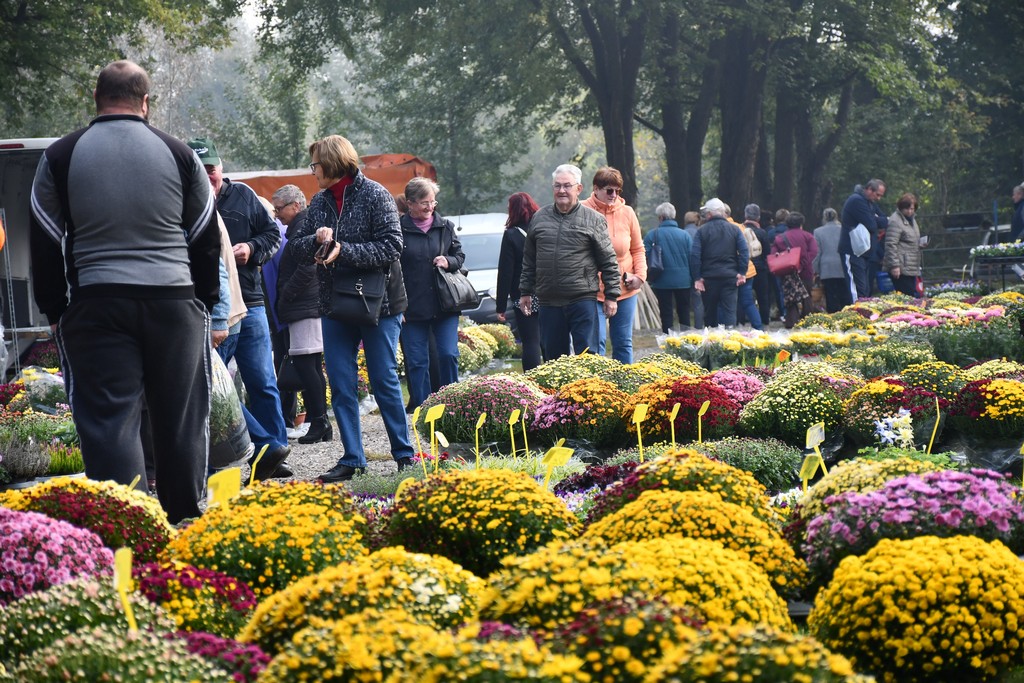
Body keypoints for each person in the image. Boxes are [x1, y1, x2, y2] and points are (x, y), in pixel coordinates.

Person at [29, 60, 219, 524]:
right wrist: (202, 303)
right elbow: (204, 236)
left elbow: (44, 236)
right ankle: (184, 521)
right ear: (146, 102)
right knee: (180, 419)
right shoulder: (180, 154)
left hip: (98, 303)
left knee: (110, 422)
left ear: (96, 99)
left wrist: (55, 309)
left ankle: (128, 527)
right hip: (173, 302)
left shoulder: (60, 156)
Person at [289, 135, 415, 482]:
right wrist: (316, 240)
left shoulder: (376, 195)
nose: (313, 171)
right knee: (342, 385)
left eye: (315, 165)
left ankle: (404, 455)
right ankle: (353, 458)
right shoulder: (318, 202)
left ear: (331, 164)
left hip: (380, 305)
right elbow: (296, 248)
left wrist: (344, 250)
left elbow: (392, 246)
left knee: (384, 379)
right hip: (334, 306)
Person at [188, 137, 292, 479]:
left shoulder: (244, 196)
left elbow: (273, 237)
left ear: (222, 168)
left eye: (212, 169)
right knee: (218, 387)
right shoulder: (187, 199)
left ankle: (275, 452)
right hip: (216, 307)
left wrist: (251, 248)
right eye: (200, 170)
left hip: (252, 302)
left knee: (263, 381)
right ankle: (225, 458)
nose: (208, 176)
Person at [519, 164, 620, 360]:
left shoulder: (594, 220)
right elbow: (529, 260)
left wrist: (611, 295)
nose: (562, 191)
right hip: (548, 301)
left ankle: (589, 392)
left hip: (582, 299)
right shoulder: (539, 218)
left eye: (567, 186)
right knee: (553, 360)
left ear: (578, 189)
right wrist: (525, 292)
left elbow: (608, 261)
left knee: (587, 358)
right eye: (557, 186)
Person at [398, 177, 465, 411]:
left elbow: (460, 257)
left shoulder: (445, 226)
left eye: (433, 202)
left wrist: (448, 260)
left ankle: (452, 405)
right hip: (411, 308)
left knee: (448, 354)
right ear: (410, 203)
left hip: (444, 304)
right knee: (417, 362)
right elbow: (391, 269)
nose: (429, 207)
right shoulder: (398, 229)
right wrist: (397, 305)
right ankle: (423, 408)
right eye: (424, 203)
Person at [273, 184, 332, 444]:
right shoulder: (302, 226)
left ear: (295, 205)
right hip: (306, 305)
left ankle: (319, 422)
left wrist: (286, 293)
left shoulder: (302, 227)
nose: (277, 215)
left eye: (279, 209)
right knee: (311, 367)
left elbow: (309, 266)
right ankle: (320, 422)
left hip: (304, 306)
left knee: (308, 367)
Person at [581, 167, 647, 363]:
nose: (614, 195)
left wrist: (640, 276)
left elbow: (637, 248)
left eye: (618, 191)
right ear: (596, 188)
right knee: (595, 343)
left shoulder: (627, 212)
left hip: (624, 289)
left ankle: (625, 387)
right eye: (609, 190)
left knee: (623, 342)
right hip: (593, 290)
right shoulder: (582, 210)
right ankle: (596, 388)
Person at [495, 192, 542, 370]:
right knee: (549, 338)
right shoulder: (543, 228)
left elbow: (505, 272)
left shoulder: (511, 235)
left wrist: (500, 306)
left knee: (530, 341)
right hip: (548, 291)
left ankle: (532, 381)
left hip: (522, 294)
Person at [690, 198, 748, 328]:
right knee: (730, 313)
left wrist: (697, 278)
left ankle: (711, 343)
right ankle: (730, 343)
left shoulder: (701, 231)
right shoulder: (735, 230)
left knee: (710, 314)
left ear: (709, 214)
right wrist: (742, 272)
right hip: (730, 277)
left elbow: (695, 256)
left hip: (709, 279)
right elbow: (744, 252)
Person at [644, 202, 692, 334]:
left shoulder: (651, 235)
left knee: (666, 313)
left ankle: (668, 339)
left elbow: (645, 256)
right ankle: (686, 340)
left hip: (661, 280)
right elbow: (692, 258)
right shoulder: (685, 235)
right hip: (683, 280)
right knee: (684, 312)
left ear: (660, 217)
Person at [840, 179, 887, 303]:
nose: (879, 198)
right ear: (869, 189)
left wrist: (875, 219)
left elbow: (884, 220)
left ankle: (863, 314)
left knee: (865, 289)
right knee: (857, 289)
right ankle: (857, 314)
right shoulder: (857, 201)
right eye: (877, 195)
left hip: (864, 252)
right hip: (853, 250)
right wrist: (875, 219)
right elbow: (872, 224)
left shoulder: (870, 202)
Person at [773, 211, 818, 328]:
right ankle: (808, 322)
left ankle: (791, 323)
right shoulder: (808, 236)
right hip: (805, 271)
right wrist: (802, 264)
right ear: (801, 223)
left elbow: (774, 254)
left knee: (790, 299)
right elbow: (813, 252)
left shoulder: (780, 238)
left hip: (788, 273)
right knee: (807, 296)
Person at [725, 203, 762, 331]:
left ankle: (729, 329)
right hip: (748, 269)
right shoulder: (740, 226)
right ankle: (759, 329)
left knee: (727, 303)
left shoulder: (725, 228)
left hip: (736, 270)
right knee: (747, 302)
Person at [884, 193, 924, 297]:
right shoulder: (895, 221)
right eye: (907, 209)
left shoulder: (912, 220)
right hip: (901, 267)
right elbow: (890, 244)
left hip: (911, 265)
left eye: (912, 209)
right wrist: (894, 266)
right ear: (901, 207)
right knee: (906, 296)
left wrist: (919, 244)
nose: (910, 211)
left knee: (910, 295)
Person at [742, 204, 773, 325]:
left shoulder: (740, 230)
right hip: (760, 269)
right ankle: (764, 320)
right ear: (758, 218)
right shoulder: (762, 233)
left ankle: (740, 320)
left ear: (745, 215)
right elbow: (767, 252)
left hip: (745, 269)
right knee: (763, 296)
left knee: (743, 296)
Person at [813, 208, 846, 313]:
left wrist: (815, 269)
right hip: (842, 265)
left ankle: (832, 314)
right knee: (843, 293)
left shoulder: (818, 232)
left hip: (826, 267)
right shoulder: (843, 229)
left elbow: (817, 252)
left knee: (830, 294)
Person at [682, 211, 704, 328]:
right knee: (698, 303)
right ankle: (699, 327)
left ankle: (684, 328)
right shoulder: (700, 232)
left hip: (684, 272)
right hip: (699, 271)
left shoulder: (682, 233)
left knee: (684, 303)